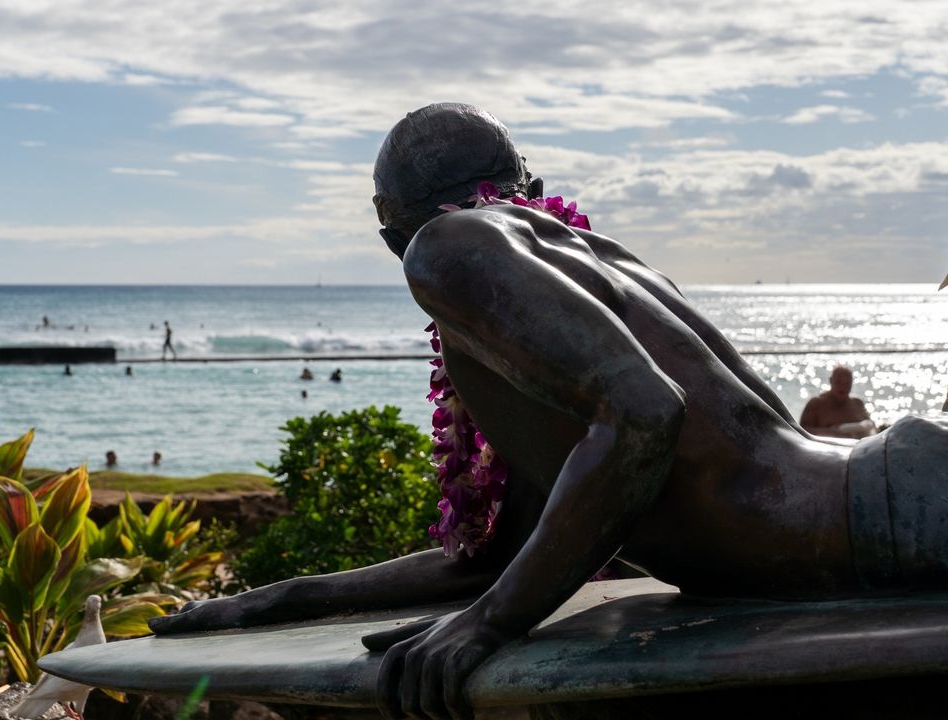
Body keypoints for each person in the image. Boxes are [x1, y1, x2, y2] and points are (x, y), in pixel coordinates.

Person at [149, 103, 948, 720]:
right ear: (526, 185)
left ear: (389, 227)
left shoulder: (449, 246)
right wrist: (267, 603)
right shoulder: (580, 254)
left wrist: (488, 626)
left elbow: (642, 415)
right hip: (880, 499)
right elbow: (501, 554)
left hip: (878, 515)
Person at [800, 365, 876, 439]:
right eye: (838, 382)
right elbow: (800, 431)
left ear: (851, 383)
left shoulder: (857, 403)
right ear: (831, 381)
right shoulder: (816, 404)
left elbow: (871, 428)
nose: (843, 387)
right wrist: (830, 432)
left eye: (847, 383)